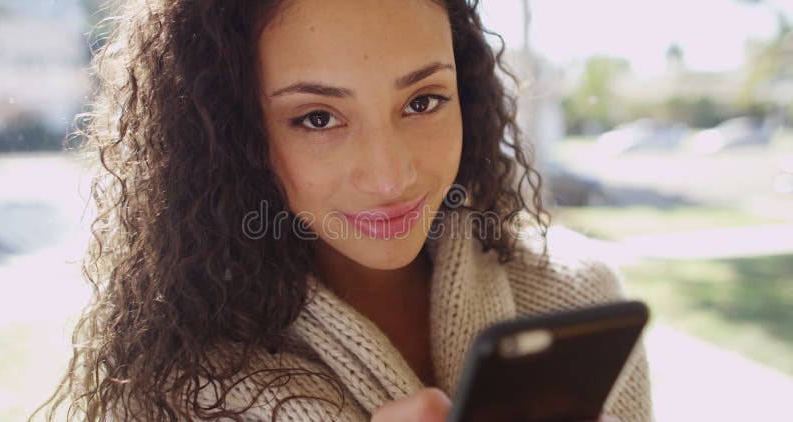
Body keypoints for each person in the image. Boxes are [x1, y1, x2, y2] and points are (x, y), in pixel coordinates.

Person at [33, 0, 652, 420]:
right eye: (317, 118)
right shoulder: (172, 388)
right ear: (229, 135)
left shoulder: (579, 297)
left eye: (424, 101)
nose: (391, 176)